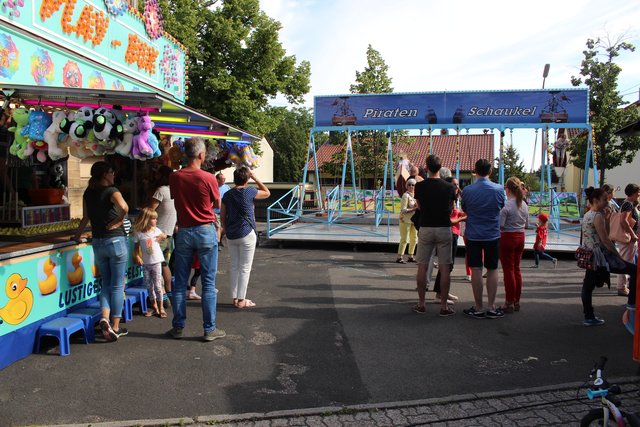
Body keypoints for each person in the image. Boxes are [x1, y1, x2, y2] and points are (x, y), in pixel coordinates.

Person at [167, 137, 225, 341]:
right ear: (201, 155)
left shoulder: (175, 177)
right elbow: (217, 204)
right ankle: (209, 329)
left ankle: (178, 327)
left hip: (184, 230)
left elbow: (177, 200)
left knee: (180, 281)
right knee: (208, 282)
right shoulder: (208, 178)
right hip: (205, 230)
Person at [73, 161, 129, 341]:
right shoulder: (112, 191)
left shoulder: (88, 192)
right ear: (105, 174)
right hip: (116, 241)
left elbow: (85, 217)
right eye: (112, 171)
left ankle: (104, 317)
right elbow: (125, 208)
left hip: (98, 242)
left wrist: (77, 236)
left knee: (106, 283)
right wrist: (118, 221)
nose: (114, 175)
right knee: (117, 285)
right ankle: (115, 326)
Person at [580, 187, 637, 326]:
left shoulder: (589, 214)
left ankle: (589, 315)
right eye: (604, 199)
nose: (607, 202)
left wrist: (607, 219)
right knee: (634, 270)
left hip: (590, 254)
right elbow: (606, 240)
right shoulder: (597, 216)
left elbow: (605, 234)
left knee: (588, 285)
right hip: (599, 256)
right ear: (596, 200)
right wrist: (618, 256)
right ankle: (631, 303)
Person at [461, 159, 506, 319]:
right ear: (490, 171)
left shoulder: (467, 190)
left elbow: (465, 208)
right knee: (492, 269)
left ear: (475, 171)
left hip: (473, 234)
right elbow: (501, 206)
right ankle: (491, 306)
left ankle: (478, 307)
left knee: (476, 269)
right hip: (492, 234)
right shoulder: (499, 189)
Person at [413, 155, 457, 316]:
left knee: (422, 266)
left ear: (426, 168)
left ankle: (421, 303)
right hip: (444, 227)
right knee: (445, 267)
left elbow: (419, 206)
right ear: (440, 167)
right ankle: (444, 306)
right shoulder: (449, 187)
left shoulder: (420, 186)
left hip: (426, 227)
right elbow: (452, 208)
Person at [221, 166, 270, 308]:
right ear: (247, 179)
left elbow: (223, 216)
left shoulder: (227, 195)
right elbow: (267, 193)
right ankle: (241, 300)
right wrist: (255, 177)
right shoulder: (249, 191)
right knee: (245, 268)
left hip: (232, 234)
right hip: (247, 232)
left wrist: (226, 230)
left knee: (234, 266)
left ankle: (235, 298)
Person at [433, 177, 466, 304]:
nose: (456, 186)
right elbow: (448, 220)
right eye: (453, 184)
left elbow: (454, 215)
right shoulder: (448, 200)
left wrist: (461, 215)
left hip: (454, 233)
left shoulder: (454, 199)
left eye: (457, 184)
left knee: (448, 265)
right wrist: (462, 219)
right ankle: (440, 294)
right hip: (449, 233)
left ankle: (442, 292)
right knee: (446, 265)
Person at [499, 177, 529, 314]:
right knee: (517, 269)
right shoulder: (524, 205)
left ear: (508, 189)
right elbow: (526, 225)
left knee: (508, 270)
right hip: (520, 237)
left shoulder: (506, 206)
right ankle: (516, 300)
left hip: (508, 237)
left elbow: (500, 226)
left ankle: (509, 301)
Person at [148, 165, 176, 307]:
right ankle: (168, 294)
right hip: (169, 235)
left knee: (156, 267)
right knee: (165, 265)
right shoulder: (175, 190)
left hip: (157, 235)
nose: (155, 176)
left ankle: (162, 297)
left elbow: (149, 211)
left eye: (157, 174)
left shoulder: (161, 191)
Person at [132, 207, 167, 318]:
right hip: (146, 263)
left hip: (156, 262)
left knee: (158, 285)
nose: (156, 220)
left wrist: (163, 236)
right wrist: (137, 256)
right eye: (153, 218)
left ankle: (161, 307)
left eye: (155, 218)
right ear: (146, 219)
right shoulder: (139, 234)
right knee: (149, 286)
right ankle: (154, 307)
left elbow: (164, 235)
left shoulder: (156, 230)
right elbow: (136, 249)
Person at [616, 183, 639, 296]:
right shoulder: (628, 205)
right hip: (628, 238)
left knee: (627, 261)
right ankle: (622, 287)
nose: (639, 194)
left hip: (629, 238)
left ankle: (623, 286)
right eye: (638, 192)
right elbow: (623, 220)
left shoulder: (627, 204)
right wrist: (632, 234)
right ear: (633, 193)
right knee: (626, 262)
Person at [396, 178, 418, 263]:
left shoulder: (416, 195)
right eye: (409, 184)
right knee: (404, 238)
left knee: (414, 238)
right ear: (406, 186)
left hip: (414, 220)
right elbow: (403, 210)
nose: (411, 186)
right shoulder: (405, 196)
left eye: (413, 185)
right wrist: (414, 209)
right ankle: (400, 257)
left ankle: (411, 256)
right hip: (405, 220)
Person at [214, 173, 231, 248]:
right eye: (223, 179)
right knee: (218, 227)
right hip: (215, 211)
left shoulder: (227, 187)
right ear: (217, 180)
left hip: (225, 211)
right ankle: (217, 244)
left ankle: (220, 239)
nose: (224, 180)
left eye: (225, 179)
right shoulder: (213, 187)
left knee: (224, 228)